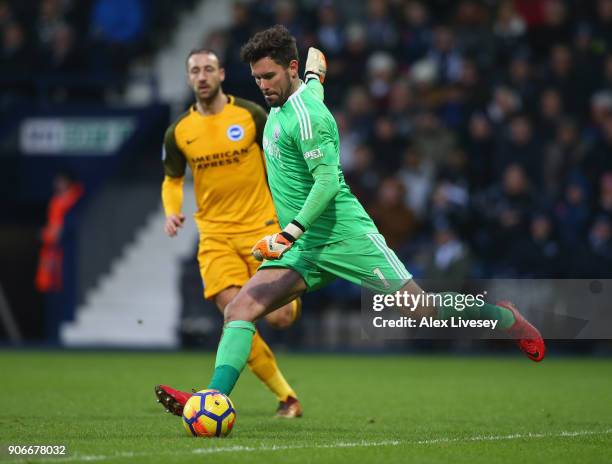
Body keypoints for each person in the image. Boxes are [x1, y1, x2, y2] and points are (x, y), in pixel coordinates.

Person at [166, 25, 545, 408]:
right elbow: (315, 74)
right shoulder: (292, 98)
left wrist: (288, 233)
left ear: (290, 68)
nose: (262, 85)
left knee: (421, 309)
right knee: (239, 308)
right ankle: (212, 398)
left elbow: (328, 182)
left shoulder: (309, 116)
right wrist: (315, 72)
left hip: (345, 235)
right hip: (305, 246)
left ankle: (505, 318)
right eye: (257, 78)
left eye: (269, 76)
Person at [154, 48, 302, 418]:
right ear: (189, 78)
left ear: (221, 74)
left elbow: (281, 156)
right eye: (195, 71)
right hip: (215, 238)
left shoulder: (250, 115)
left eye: (208, 69)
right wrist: (172, 212)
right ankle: (287, 398)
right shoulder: (180, 132)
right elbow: (172, 180)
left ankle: (267, 395)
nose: (202, 76)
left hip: (262, 229)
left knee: (281, 318)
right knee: (238, 316)